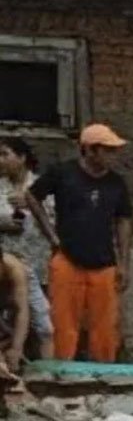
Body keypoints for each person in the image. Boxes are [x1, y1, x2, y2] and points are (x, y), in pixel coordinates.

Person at [12, 124, 132, 363]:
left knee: (105, 328)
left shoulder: (116, 183)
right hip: (68, 259)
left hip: (104, 262)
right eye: (107, 150)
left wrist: (124, 263)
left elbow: (124, 221)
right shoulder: (63, 173)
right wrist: (51, 235)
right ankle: (63, 374)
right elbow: (32, 196)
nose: (112, 155)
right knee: (64, 324)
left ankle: (104, 375)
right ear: (90, 150)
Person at [0, 138, 54, 360]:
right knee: (9, 322)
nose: (0, 160)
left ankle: (41, 369)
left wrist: (31, 204)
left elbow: (54, 222)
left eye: (5, 154)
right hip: (6, 264)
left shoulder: (41, 187)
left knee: (38, 318)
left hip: (36, 262)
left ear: (22, 158)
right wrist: (5, 221)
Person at [0, 247, 43, 375]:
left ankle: (46, 374)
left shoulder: (16, 269)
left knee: (45, 329)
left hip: (21, 279)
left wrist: (16, 348)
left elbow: (22, 310)